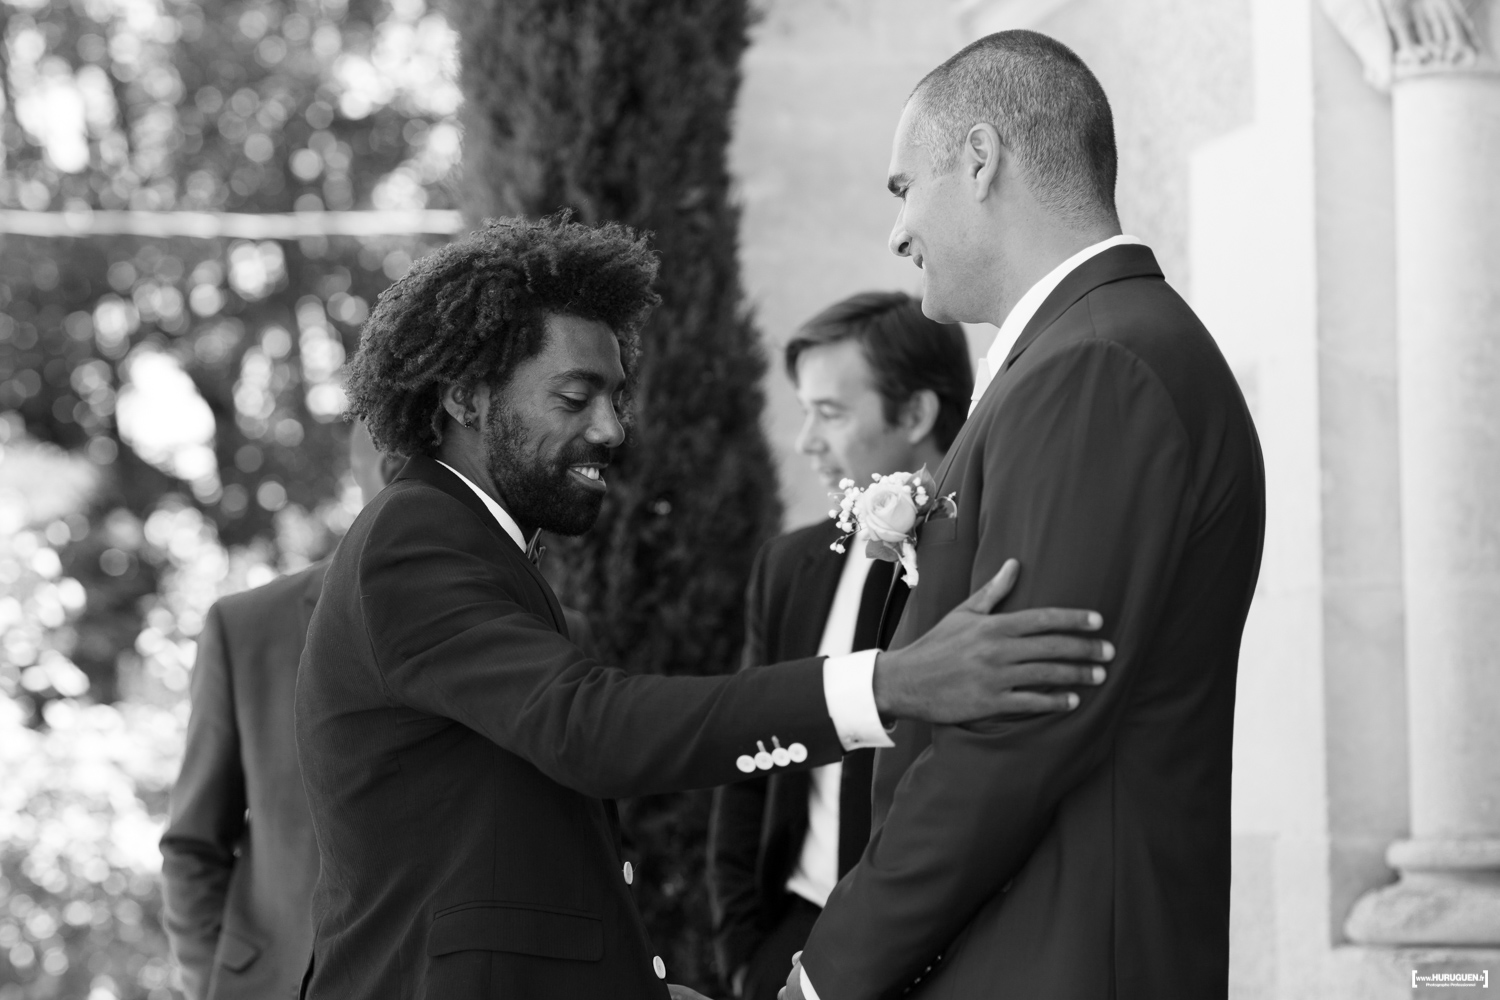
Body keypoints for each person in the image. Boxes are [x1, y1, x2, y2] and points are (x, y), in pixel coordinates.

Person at [293, 215, 1115, 1000]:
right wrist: (889, 683)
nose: (613, 429)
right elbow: (589, 729)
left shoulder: (472, 537)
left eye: (617, 397)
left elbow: (502, 850)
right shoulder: (413, 539)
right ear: (467, 397)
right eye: (575, 397)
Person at [786, 31, 1266, 1000]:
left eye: (902, 189)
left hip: (1059, 956)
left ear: (980, 159)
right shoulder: (1088, 348)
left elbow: (1010, 736)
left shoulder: (1097, 366)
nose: (897, 233)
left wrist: (827, 976)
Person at [707, 291, 972, 1000]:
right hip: (790, 941)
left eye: (830, 412)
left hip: (943, 959)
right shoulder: (787, 567)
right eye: (805, 411)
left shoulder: (981, 560)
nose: (805, 442)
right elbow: (746, 754)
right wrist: (746, 954)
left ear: (915, 414)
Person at [159, 421, 400, 1000]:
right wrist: (211, 983)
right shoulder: (247, 628)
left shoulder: (535, 635)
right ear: (373, 468)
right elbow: (194, 844)